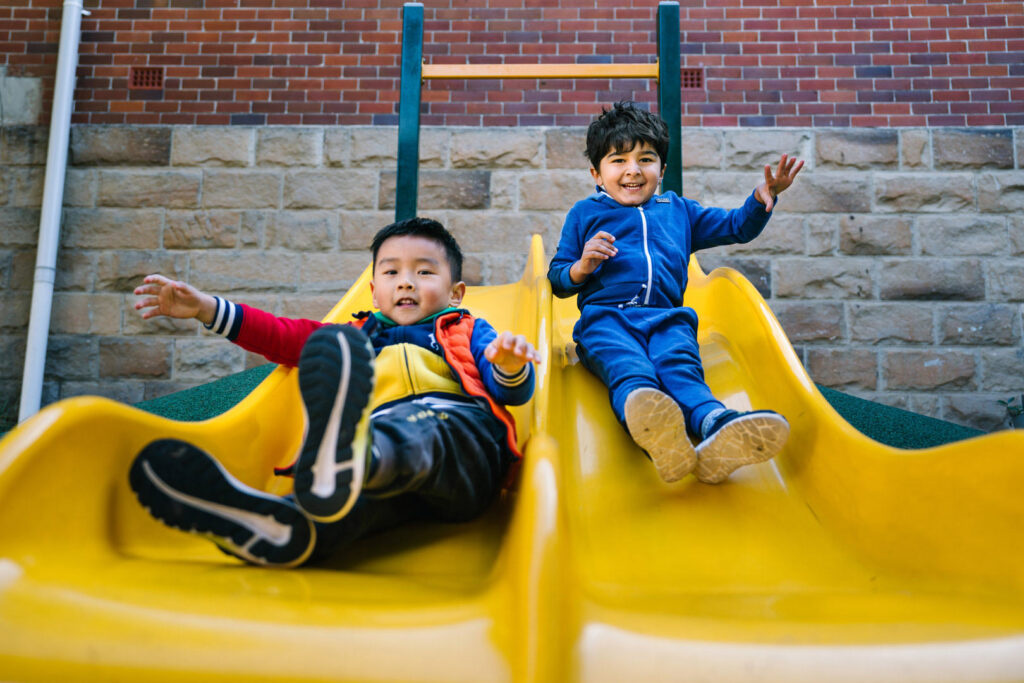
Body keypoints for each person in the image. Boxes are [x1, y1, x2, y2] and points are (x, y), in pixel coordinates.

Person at [129, 217, 540, 567]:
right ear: (374, 290)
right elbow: (279, 334)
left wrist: (507, 364)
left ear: (456, 293)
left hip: (462, 451)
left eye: (425, 272)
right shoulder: (353, 338)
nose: (406, 283)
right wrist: (206, 308)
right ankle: (280, 527)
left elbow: (512, 393)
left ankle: (356, 455)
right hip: (388, 481)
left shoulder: (467, 329)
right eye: (391, 272)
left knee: (421, 432)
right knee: (343, 510)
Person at [548, 101, 803, 485]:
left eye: (646, 159)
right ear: (596, 174)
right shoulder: (585, 214)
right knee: (630, 368)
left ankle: (715, 424)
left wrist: (762, 198)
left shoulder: (679, 211)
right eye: (618, 160)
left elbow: (736, 226)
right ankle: (655, 430)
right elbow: (556, 277)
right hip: (607, 319)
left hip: (668, 318)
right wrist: (582, 267)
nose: (633, 170)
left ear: (661, 170)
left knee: (680, 366)